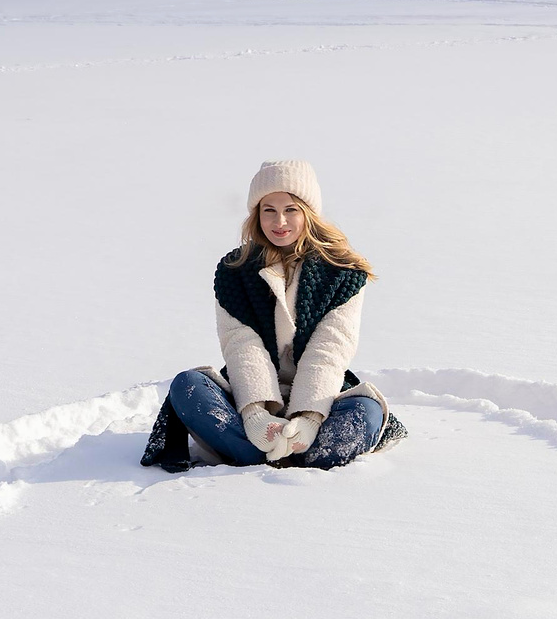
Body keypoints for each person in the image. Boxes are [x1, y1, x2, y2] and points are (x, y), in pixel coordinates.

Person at [140, 160, 403, 473]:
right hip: (249, 394)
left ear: (308, 212)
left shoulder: (343, 272)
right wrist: (255, 415)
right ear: (256, 214)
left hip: (321, 396)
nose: (280, 221)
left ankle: (295, 450)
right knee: (188, 385)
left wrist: (309, 419)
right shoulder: (234, 271)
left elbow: (331, 348)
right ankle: (258, 449)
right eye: (269, 210)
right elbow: (241, 344)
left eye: (291, 209)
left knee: (367, 411)